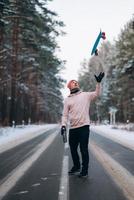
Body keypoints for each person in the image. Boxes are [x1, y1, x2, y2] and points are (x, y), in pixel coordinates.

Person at [61, 72, 104, 178]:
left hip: (84, 127)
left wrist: (98, 83)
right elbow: (65, 115)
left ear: (78, 85)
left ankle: (84, 170)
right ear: (69, 87)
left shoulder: (85, 95)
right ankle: (76, 166)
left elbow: (97, 94)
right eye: (73, 84)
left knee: (83, 149)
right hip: (73, 128)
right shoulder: (67, 100)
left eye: (76, 83)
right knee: (73, 149)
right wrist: (63, 125)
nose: (75, 85)